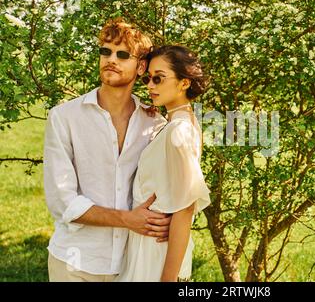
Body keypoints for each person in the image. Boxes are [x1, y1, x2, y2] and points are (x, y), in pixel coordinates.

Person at [43, 17, 170, 282]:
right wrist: (127, 219)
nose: (111, 59)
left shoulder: (155, 123)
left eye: (122, 54)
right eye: (106, 51)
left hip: (131, 263)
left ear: (141, 67)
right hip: (74, 263)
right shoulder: (64, 117)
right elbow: (61, 201)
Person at [116, 45, 211, 282]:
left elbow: (185, 208)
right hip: (146, 243)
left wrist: (167, 280)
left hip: (156, 254)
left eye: (158, 79)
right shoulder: (176, 124)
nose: (150, 86)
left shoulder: (179, 131)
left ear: (184, 83)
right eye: (149, 79)